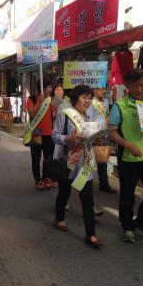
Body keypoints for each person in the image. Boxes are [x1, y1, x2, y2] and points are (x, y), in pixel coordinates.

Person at [109, 69, 143, 244]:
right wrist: (126, 144)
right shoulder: (120, 106)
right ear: (127, 86)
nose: (140, 89)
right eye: (135, 86)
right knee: (127, 196)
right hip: (129, 159)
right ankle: (127, 227)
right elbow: (111, 132)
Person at [52, 85, 103, 248]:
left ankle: (91, 235)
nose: (88, 101)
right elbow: (55, 136)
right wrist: (69, 138)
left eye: (90, 98)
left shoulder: (89, 117)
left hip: (85, 163)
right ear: (75, 98)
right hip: (68, 162)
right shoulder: (64, 115)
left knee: (87, 199)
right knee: (64, 193)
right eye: (84, 97)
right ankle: (59, 218)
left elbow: (90, 137)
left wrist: (96, 138)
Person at [25, 78, 55, 191]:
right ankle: (38, 180)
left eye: (51, 87)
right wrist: (39, 102)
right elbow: (32, 113)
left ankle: (46, 178)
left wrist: (55, 115)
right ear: (42, 88)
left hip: (48, 133)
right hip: (36, 133)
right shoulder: (31, 99)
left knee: (48, 158)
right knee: (36, 158)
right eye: (49, 87)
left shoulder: (50, 100)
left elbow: (53, 117)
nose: (51, 90)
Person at [87, 88, 116, 194]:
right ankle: (86, 184)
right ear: (94, 89)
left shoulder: (106, 101)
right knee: (88, 160)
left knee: (103, 160)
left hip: (104, 134)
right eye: (101, 89)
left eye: (104, 89)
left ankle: (104, 184)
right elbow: (88, 119)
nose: (103, 91)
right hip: (93, 134)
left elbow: (106, 116)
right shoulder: (89, 101)